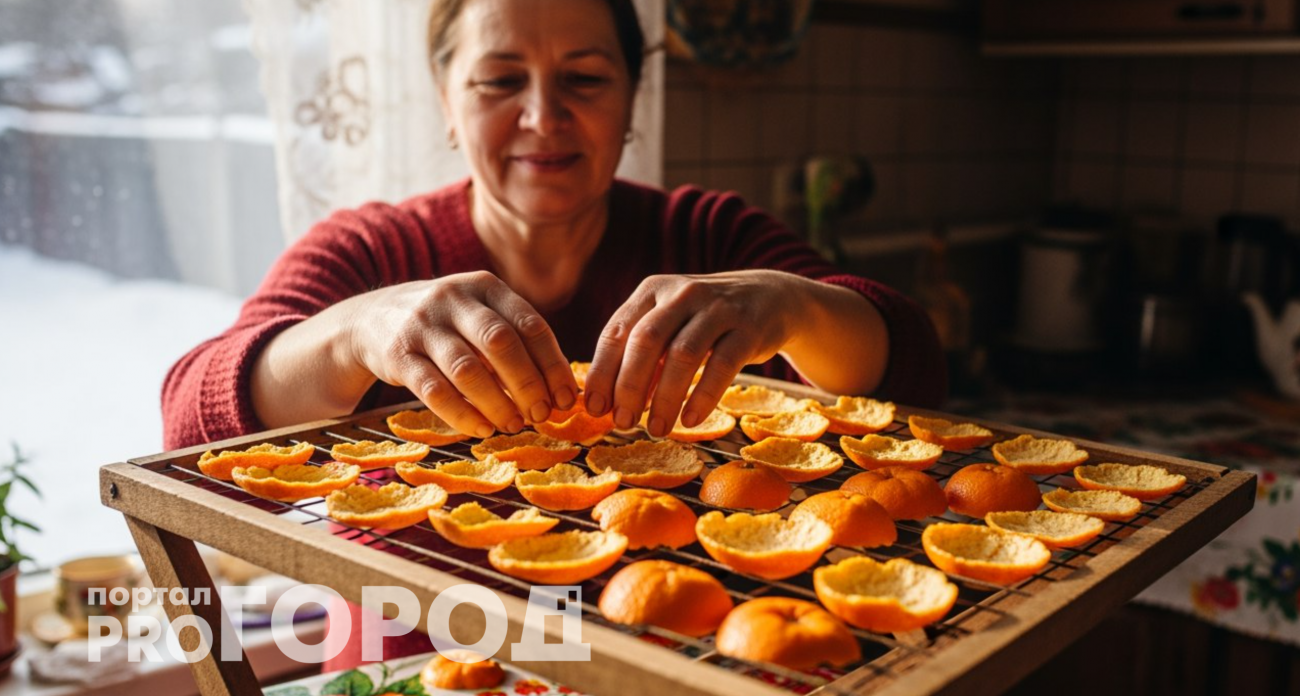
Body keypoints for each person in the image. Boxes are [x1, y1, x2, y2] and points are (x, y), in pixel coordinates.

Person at [162, 0, 945, 672]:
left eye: (586, 78)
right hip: (416, 671)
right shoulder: (371, 253)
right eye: (501, 79)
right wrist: (351, 334)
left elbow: (911, 372)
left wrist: (796, 306)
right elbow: (189, 422)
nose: (543, 116)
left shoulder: (706, 236)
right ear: (445, 97)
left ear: (634, 96)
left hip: (672, 667)